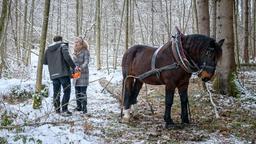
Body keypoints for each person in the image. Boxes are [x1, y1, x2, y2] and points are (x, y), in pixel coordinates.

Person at [44, 35, 79, 116]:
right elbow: (67, 57)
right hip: (63, 73)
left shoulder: (48, 49)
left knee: (56, 92)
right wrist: (74, 67)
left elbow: (45, 61)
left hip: (53, 74)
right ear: (61, 40)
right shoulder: (63, 46)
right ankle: (64, 110)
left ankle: (57, 110)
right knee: (66, 91)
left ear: (54, 41)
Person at [72, 37, 90, 114]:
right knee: (77, 91)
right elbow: (72, 61)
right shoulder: (74, 51)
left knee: (83, 91)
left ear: (81, 43)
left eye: (77, 42)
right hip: (76, 73)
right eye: (75, 42)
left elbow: (86, 61)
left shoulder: (85, 51)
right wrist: (73, 67)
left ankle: (84, 107)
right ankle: (78, 106)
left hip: (83, 73)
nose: (76, 43)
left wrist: (80, 67)